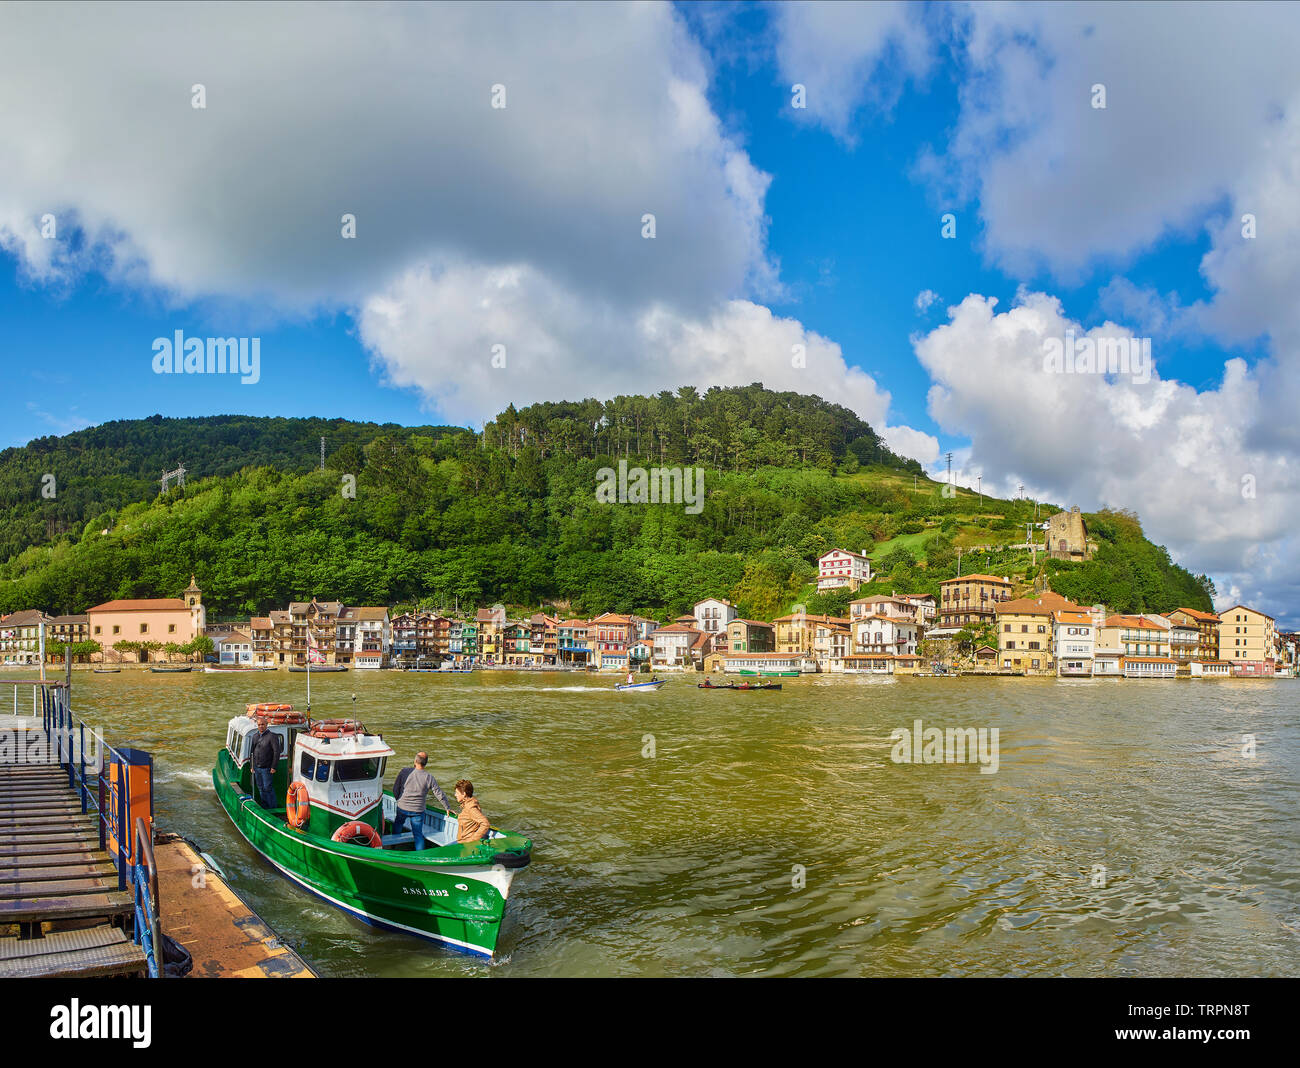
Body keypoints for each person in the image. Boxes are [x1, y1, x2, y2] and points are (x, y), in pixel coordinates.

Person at [394, 752, 451, 850]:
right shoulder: (429, 777)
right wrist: (447, 807)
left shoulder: (404, 771)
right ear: (426, 763)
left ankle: (394, 846)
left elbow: (396, 789)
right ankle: (420, 856)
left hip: (402, 807)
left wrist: (398, 800)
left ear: (415, 761)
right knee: (418, 835)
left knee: (398, 824)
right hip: (418, 810)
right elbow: (438, 793)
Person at [248, 716, 282, 809]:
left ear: (266, 725)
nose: (261, 726)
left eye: (263, 724)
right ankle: (265, 806)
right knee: (260, 788)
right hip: (257, 767)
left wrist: (274, 767)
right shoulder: (255, 736)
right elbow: (252, 752)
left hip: (267, 768)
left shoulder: (272, 736)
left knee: (268, 788)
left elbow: (276, 752)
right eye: (259, 725)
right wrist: (252, 766)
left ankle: (272, 807)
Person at [455, 779, 490, 844]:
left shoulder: (470, 808)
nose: (455, 795)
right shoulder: (467, 805)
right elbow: (469, 818)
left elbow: (485, 823)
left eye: (457, 793)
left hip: (466, 843)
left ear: (464, 794)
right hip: (462, 841)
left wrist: (472, 840)